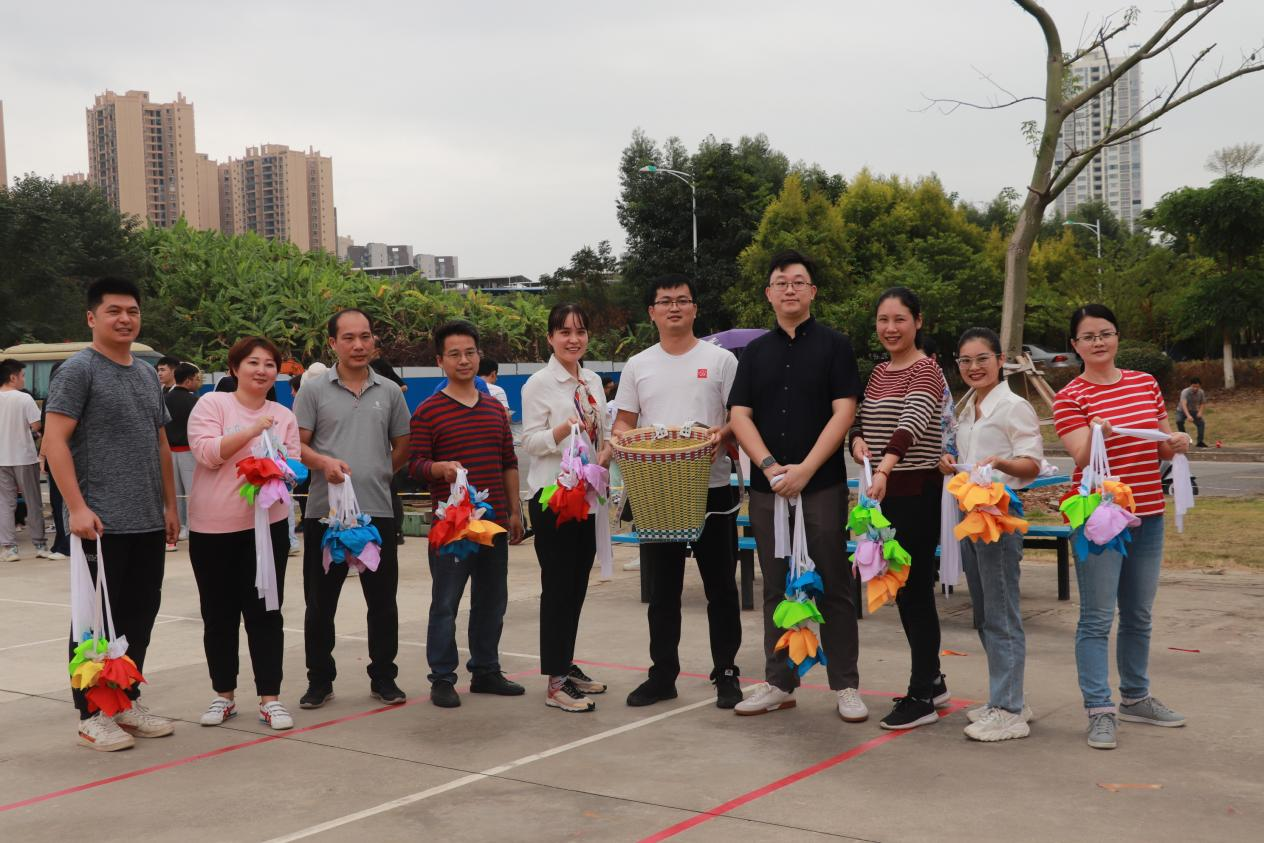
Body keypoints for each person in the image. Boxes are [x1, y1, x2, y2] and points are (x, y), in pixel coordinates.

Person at [728, 251, 866, 722]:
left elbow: (844, 411)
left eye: (799, 281)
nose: (790, 289)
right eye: (781, 282)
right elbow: (739, 415)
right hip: (768, 489)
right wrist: (769, 467)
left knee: (833, 583)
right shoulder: (755, 353)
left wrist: (805, 469)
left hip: (821, 485)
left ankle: (845, 684)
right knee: (776, 584)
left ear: (813, 292)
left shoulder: (835, 346)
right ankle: (779, 682)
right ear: (769, 294)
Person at [44, 276, 180, 751]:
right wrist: (76, 508)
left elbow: (160, 443)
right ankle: (91, 714)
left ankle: (124, 701)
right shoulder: (78, 371)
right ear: (91, 318)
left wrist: (170, 505)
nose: (125, 319)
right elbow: (54, 442)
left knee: (138, 616)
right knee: (95, 622)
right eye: (114, 311)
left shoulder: (145, 373)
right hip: (99, 523)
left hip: (146, 519)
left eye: (132, 311)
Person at [1054, 304, 1190, 750]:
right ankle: (1099, 709)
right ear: (1075, 345)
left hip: (1147, 514)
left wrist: (1177, 442)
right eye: (1088, 336)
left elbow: (1161, 444)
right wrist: (1100, 432)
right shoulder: (1070, 396)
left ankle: (1135, 697)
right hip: (1100, 519)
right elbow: (1080, 454)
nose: (1098, 342)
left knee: (1138, 614)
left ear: (1117, 337)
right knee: (1096, 618)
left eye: (1105, 333)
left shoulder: (1144, 383)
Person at [613, 275, 743, 710]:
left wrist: (720, 434)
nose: (674, 308)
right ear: (652, 312)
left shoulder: (721, 360)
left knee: (721, 587)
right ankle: (662, 674)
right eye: (665, 301)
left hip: (712, 488)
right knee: (663, 591)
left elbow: (738, 417)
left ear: (694, 309)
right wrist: (622, 438)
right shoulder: (638, 365)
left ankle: (726, 670)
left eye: (683, 300)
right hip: (657, 491)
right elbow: (624, 421)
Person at [294, 309, 412, 709]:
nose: (359, 345)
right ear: (333, 343)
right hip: (325, 515)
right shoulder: (313, 391)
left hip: (376, 513)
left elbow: (403, 445)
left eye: (365, 336)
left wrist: (378, 472)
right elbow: (298, 445)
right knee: (320, 604)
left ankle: (384, 677)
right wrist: (324, 464)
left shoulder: (390, 392)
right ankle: (319, 681)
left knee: (382, 603)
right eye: (348, 338)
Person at [850, 286, 953, 730]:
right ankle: (934, 680)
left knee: (915, 592)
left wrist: (885, 468)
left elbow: (910, 424)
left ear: (918, 322)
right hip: (884, 494)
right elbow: (861, 419)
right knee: (903, 591)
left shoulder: (926, 371)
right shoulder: (879, 372)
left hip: (915, 492)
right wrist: (857, 440)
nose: (890, 328)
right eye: (883, 320)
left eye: (900, 319)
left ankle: (921, 696)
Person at [187, 337, 301, 731]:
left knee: (266, 613)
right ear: (235, 368)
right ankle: (224, 695)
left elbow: (293, 467)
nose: (262, 370)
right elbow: (207, 453)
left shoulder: (283, 415)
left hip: (266, 530)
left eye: (270, 364)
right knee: (218, 615)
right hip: (213, 529)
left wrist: (281, 468)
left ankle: (271, 698)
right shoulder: (212, 404)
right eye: (253, 362)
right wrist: (253, 431)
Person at [409, 321, 525, 709]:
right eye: (454, 354)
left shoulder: (495, 409)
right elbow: (414, 465)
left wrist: (514, 511)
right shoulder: (428, 411)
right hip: (451, 527)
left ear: (479, 356)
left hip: (492, 523)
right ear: (440, 361)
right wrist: (437, 468)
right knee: (445, 604)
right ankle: (442, 677)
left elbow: (509, 462)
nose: (464, 360)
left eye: (470, 352)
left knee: (492, 601)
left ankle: (486, 670)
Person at [938, 328, 1042, 742]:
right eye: (965, 361)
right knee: (983, 612)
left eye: (982, 358)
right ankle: (1008, 695)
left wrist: (1001, 463)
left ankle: (1009, 709)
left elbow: (1032, 464)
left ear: (1000, 361)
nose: (974, 367)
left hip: (998, 513)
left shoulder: (1013, 406)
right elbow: (966, 460)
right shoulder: (967, 407)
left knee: (1001, 613)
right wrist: (952, 464)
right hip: (969, 512)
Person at [520, 305, 611, 712]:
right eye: (564, 332)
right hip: (552, 497)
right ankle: (555, 683)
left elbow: (601, 431)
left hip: (587, 497)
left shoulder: (592, 380)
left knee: (576, 586)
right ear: (550, 338)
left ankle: (565, 662)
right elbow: (530, 442)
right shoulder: (539, 384)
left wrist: (606, 452)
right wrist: (561, 430)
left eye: (580, 331)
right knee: (558, 587)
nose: (573, 339)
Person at [1, 359, 51, 563]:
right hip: (24, 456)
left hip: (1, 459)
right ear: (12, 377)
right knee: (33, 502)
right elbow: (36, 425)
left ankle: (10, 548)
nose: (24, 379)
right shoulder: (24, 398)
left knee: (5, 503)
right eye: (22, 375)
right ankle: (40, 545)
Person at [164, 361, 201, 549]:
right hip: (188, 452)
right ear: (188, 380)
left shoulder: (164, 399)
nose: (198, 382)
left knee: (174, 493)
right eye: (196, 379)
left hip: (168, 452)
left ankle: (175, 530)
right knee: (192, 493)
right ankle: (193, 528)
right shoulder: (195, 402)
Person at [39, 362, 71, 559]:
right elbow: (48, 431)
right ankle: (61, 543)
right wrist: (43, 455)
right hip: (57, 455)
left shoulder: (59, 397)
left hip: (65, 456)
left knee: (63, 501)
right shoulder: (53, 397)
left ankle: (66, 545)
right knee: (58, 501)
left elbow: (50, 431)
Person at [1175, 377, 1208, 448]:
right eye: (1193, 386)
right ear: (1190, 385)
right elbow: (1183, 404)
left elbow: (1202, 403)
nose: (1195, 388)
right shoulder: (1185, 392)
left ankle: (1200, 442)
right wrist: (1188, 415)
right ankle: (1185, 439)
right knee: (1179, 421)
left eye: (1197, 387)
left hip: (1193, 410)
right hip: (1181, 410)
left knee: (1201, 423)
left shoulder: (1201, 392)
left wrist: (1200, 412)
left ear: (1200, 386)